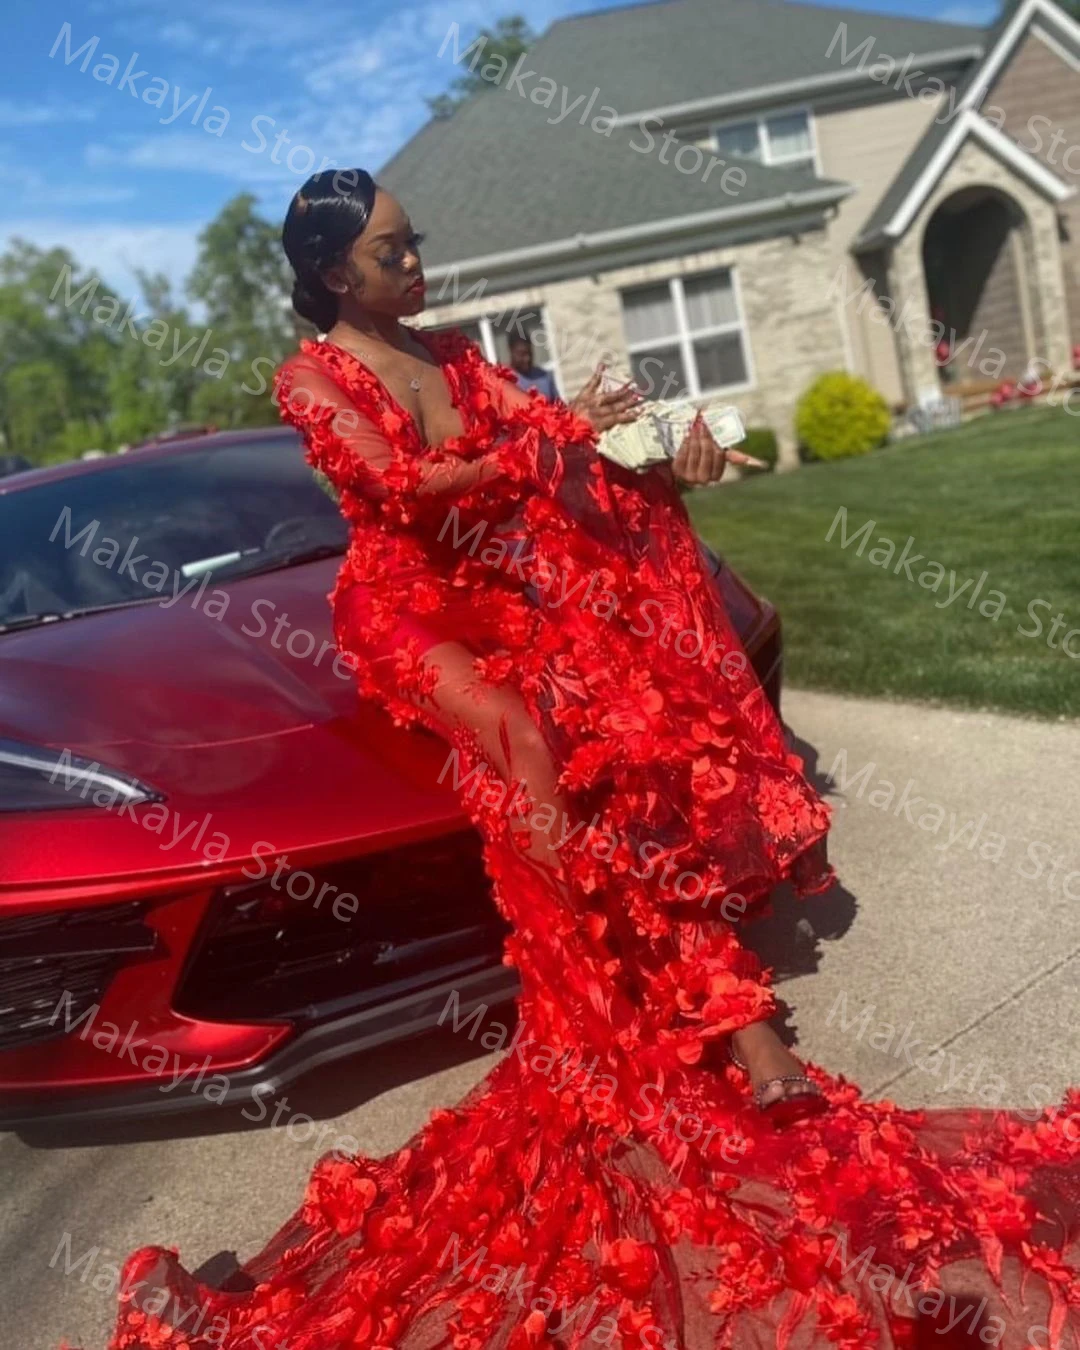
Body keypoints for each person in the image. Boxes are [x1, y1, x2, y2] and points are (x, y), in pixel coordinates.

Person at [85, 170, 1079, 1350]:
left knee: (626, 708)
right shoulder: (309, 380)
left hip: (499, 582)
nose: (416, 265)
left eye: (416, 244)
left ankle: (728, 1013)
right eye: (392, 254)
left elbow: (534, 441)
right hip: (411, 606)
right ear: (330, 275)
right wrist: (555, 434)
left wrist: (618, 432)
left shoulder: (457, 353)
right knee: (524, 728)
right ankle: (651, 1007)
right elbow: (406, 490)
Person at [507, 331, 558, 400]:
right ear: (511, 351)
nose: (527, 359)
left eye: (530, 353)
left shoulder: (545, 377)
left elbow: (558, 406)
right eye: (522, 354)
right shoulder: (506, 382)